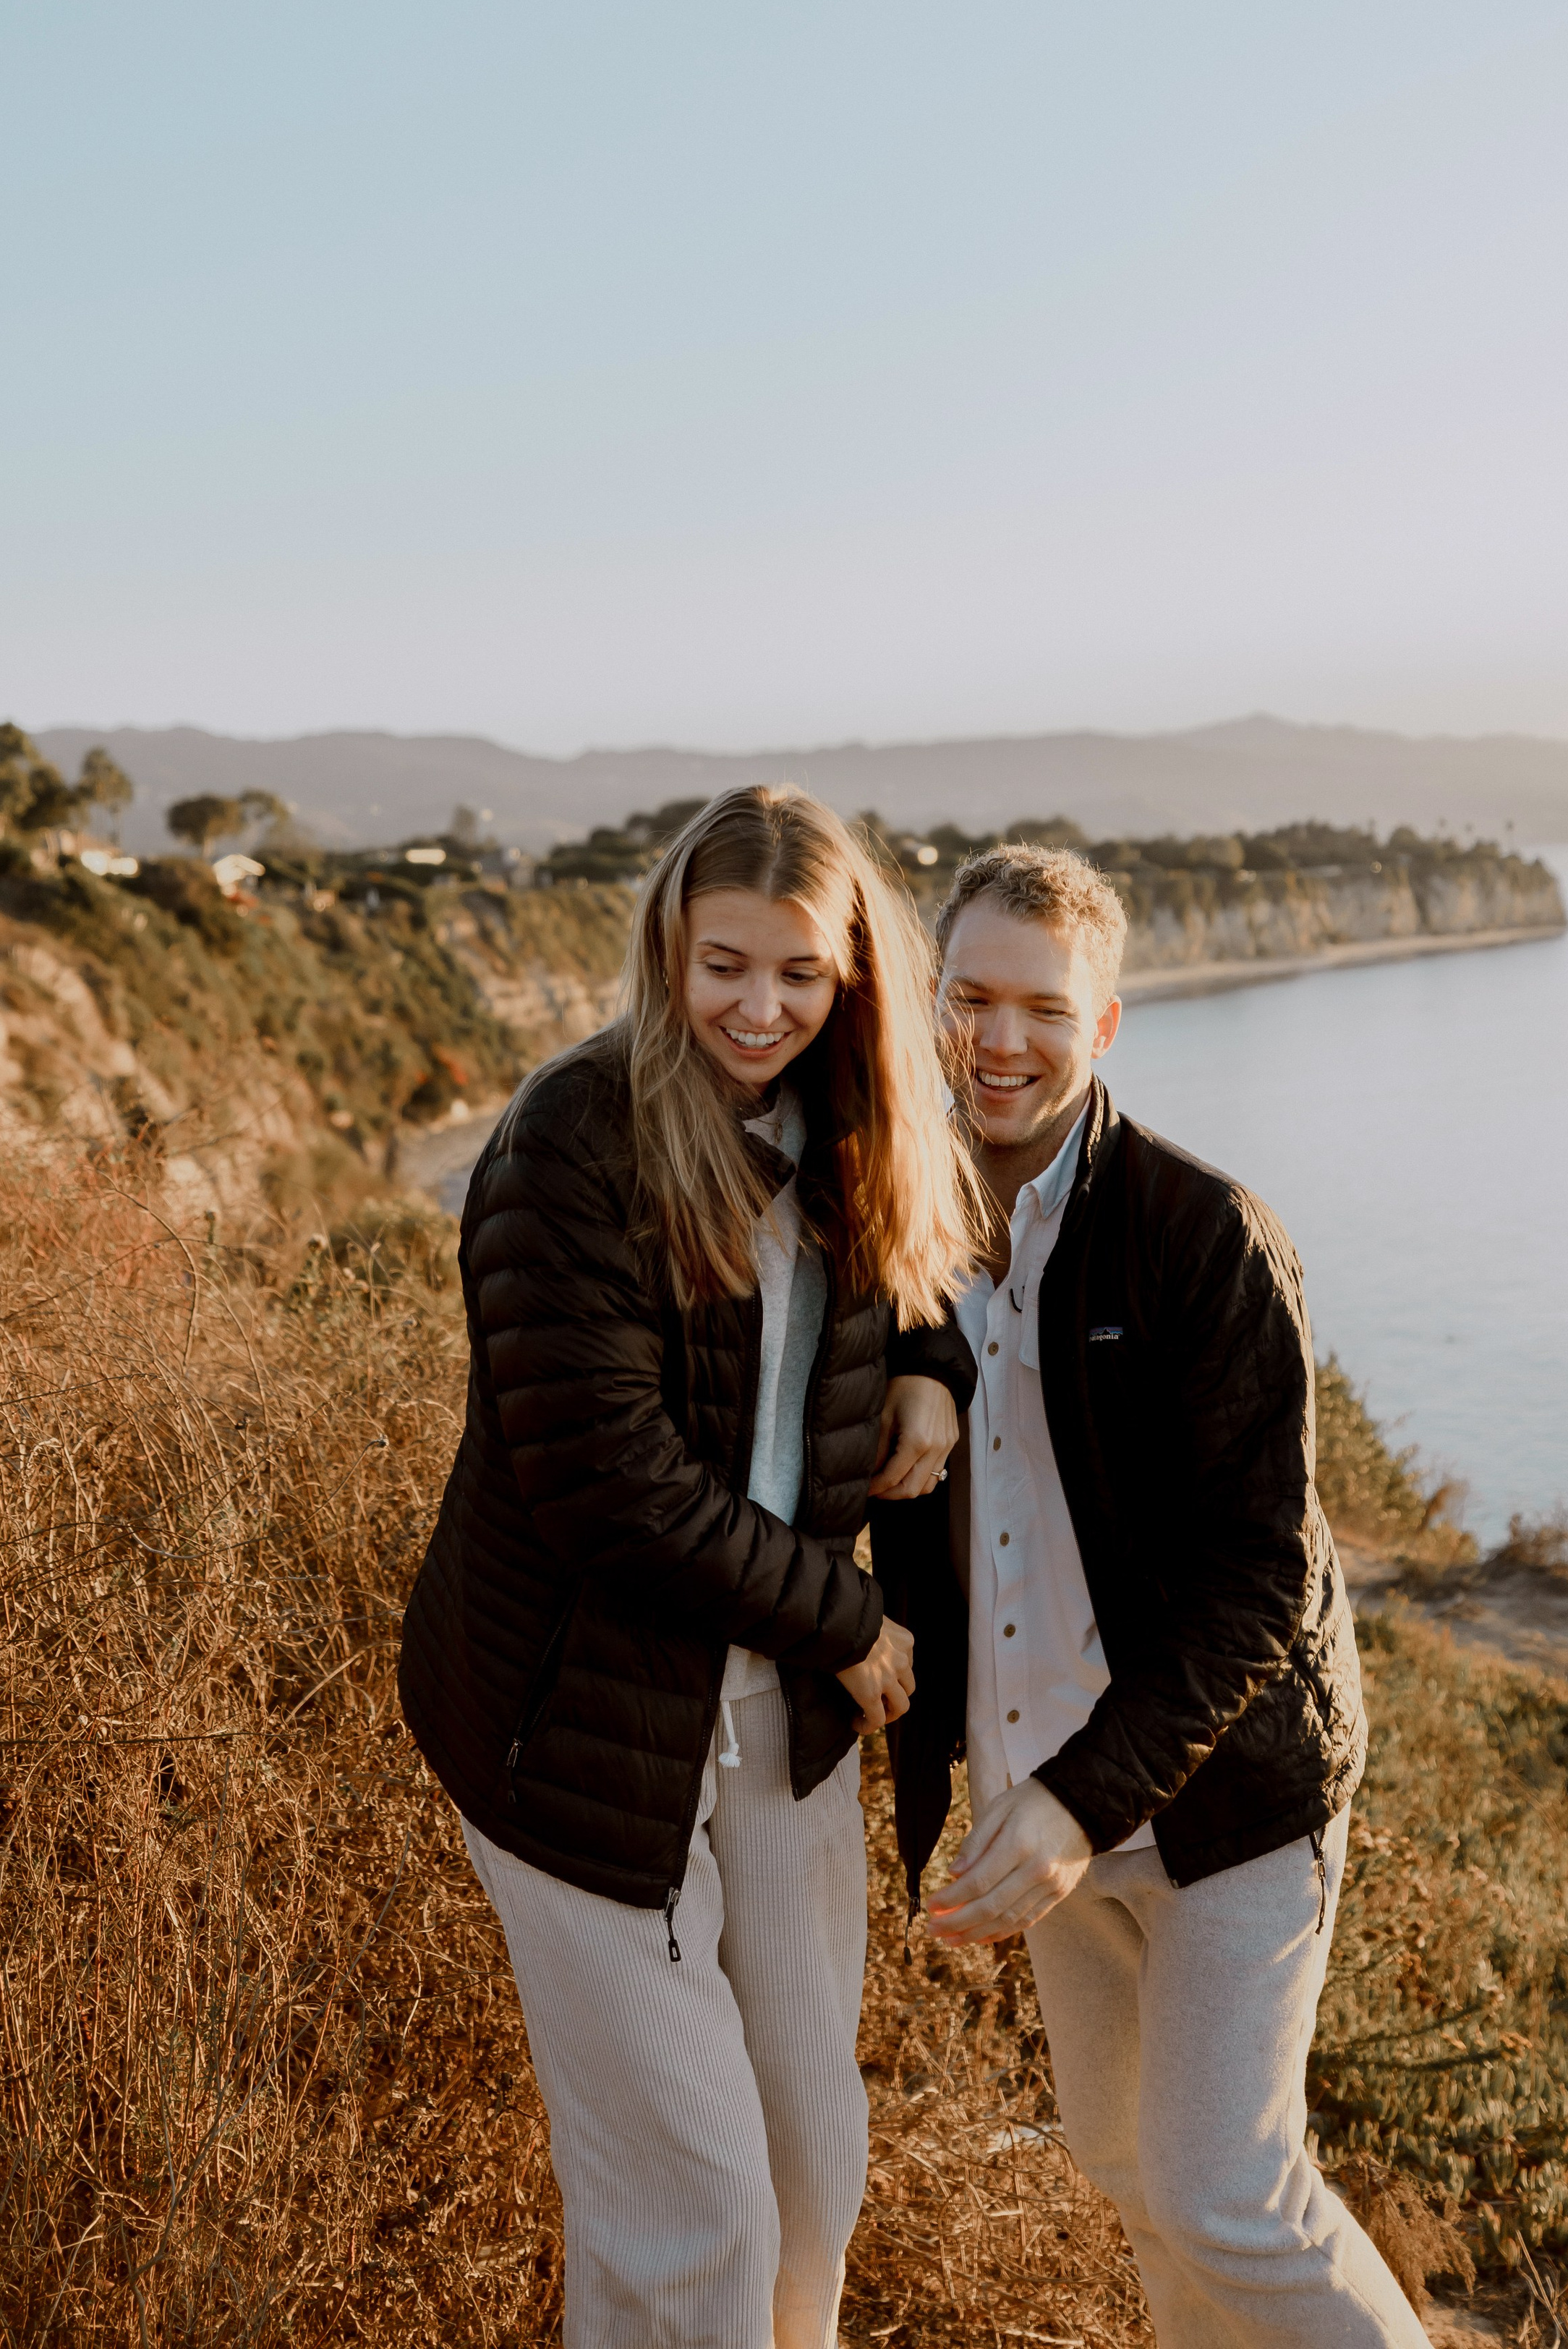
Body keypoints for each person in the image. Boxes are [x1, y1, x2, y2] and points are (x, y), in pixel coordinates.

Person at [399, 786, 981, 2349]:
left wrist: (931, 1366)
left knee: (811, 2163)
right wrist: (850, 1617)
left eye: (799, 972)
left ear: (850, 974)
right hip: (581, 1727)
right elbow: (610, 1482)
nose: (759, 1008)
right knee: (693, 2209)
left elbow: (928, 1259)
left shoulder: (848, 1112)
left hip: (778, 1714)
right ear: (669, 946)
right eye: (725, 965)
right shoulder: (570, 1139)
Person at [877, 841, 1431, 2349]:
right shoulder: (898, 1215)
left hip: (1223, 1793)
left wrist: (1077, 1801)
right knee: (1130, 2175)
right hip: (1036, 1785)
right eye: (971, 998)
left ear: (1104, 1022)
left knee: (1226, 2191)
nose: (1001, 1039)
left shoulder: (1205, 1233)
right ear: (930, 1002)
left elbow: (1262, 1581)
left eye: (1045, 1008)